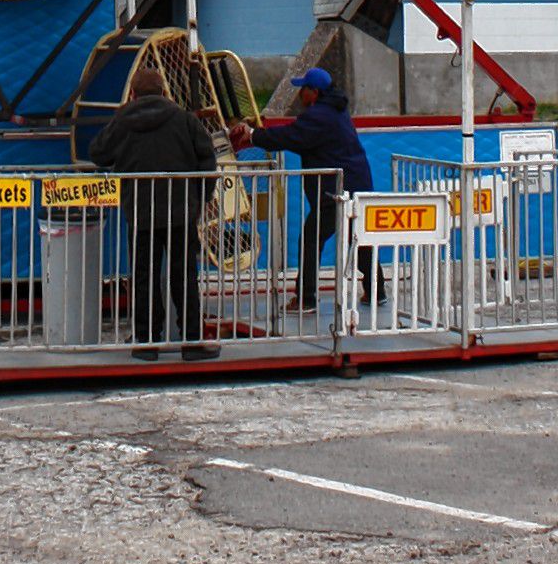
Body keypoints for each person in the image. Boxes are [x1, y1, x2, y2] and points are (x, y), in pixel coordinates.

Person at [89, 61, 222, 359]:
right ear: (164, 91)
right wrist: (200, 199)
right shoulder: (184, 119)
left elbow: (98, 152)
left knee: (144, 276)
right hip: (180, 212)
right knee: (184, 276)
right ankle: (191, 342)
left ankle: (147, 342)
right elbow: (207, 161)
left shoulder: (123, 119)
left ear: (133, 94)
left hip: (140, 212)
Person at [231, 67, 375, 316]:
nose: (300, 94)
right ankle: (376, 291)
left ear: (314, 92)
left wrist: (253, 137)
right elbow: (298, 132)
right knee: (359, 238)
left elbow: (292, 137)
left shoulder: (319, 115)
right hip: (357, 183)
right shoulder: (335, 110)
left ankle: (306, 299)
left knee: (310, 239)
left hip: (337, 191)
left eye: (303, 89)